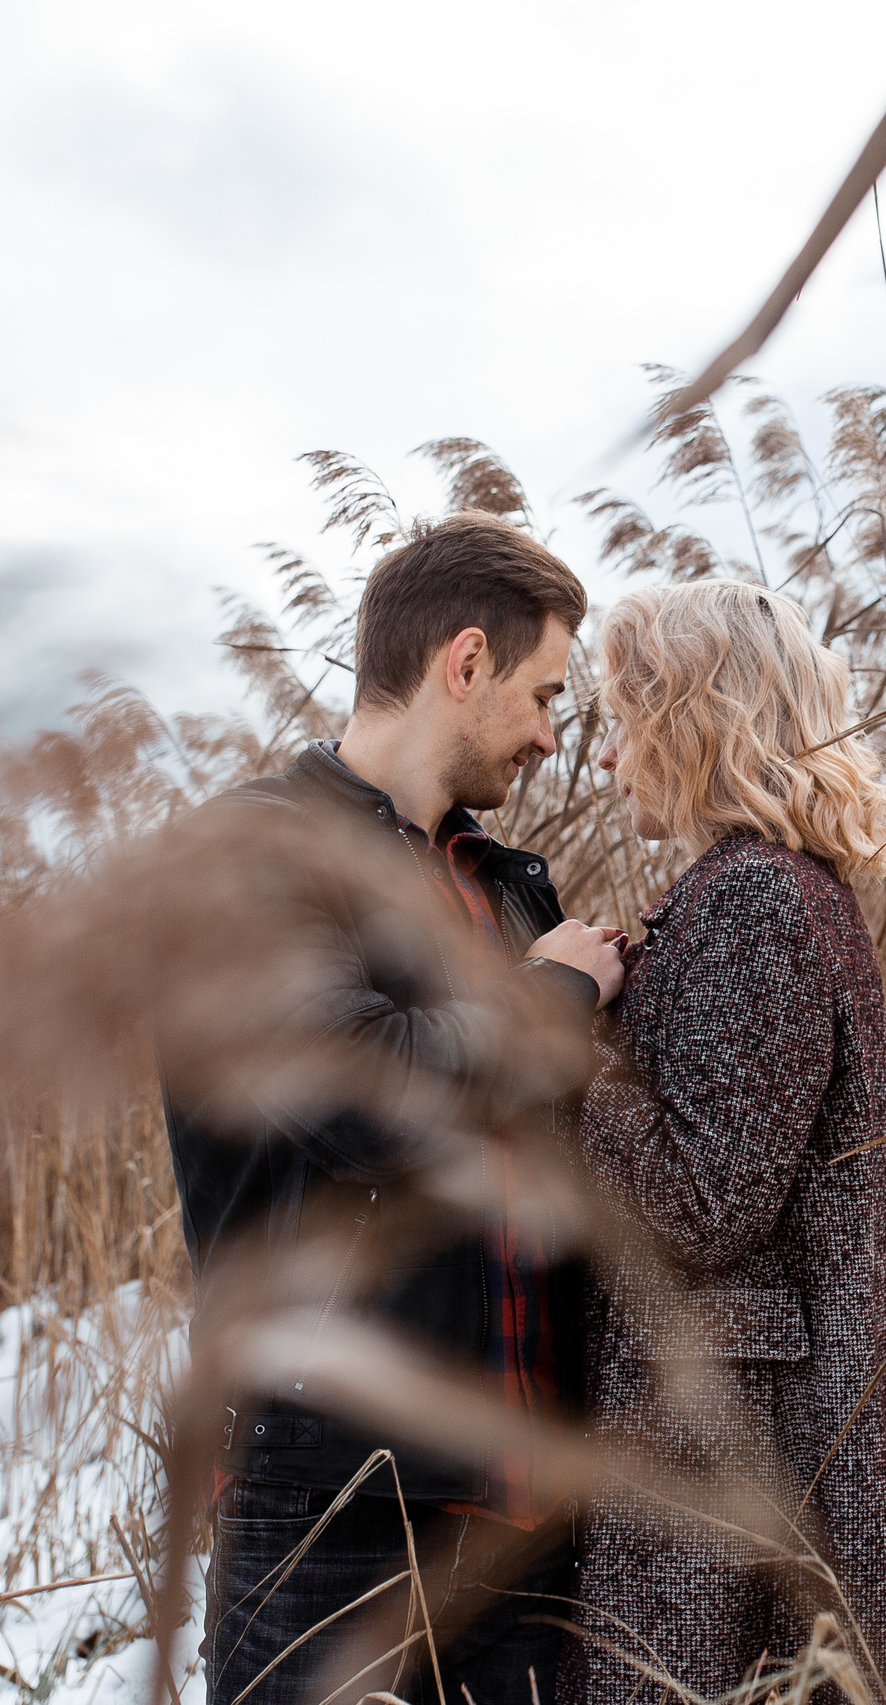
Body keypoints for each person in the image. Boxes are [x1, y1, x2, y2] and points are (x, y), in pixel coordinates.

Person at [160, 512, 626, 1705]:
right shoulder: (254, 859)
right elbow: (348, 1086)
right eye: (541, 693)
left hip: (520, 1515)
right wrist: (549, 1000)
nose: (550, 736)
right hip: (333, 1503)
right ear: (462, 664)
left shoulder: (510, 888)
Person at [567, 580, 886, 1704]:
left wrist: (565, 1039)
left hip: (723, 1450)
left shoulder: (755, 900)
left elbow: (707, 1204)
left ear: (692, 721)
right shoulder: (752, 892)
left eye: (623, 723)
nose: (608, 760)